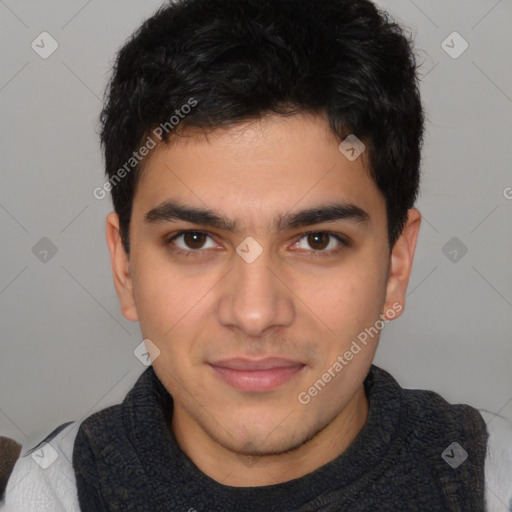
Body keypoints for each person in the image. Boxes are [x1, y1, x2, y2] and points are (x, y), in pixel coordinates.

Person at [2, 0, 511, 510]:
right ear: (126, 267)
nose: (254, 314)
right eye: (194, 240)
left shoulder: (493, 481)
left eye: (317, 240)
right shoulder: (38, 492)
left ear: (396, 266)